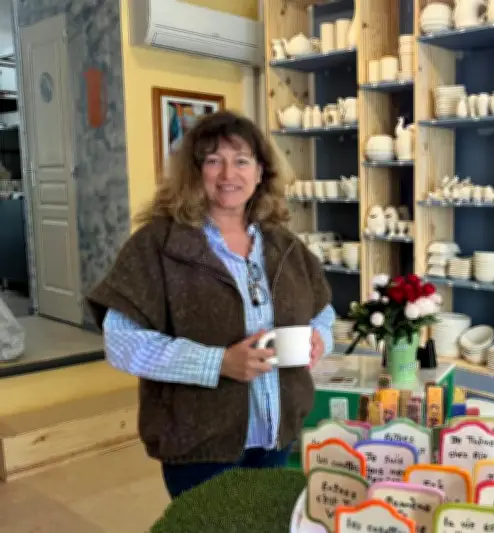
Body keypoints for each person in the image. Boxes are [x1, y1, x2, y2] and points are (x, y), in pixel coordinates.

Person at [86, 111, 335, 500]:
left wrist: (321, 337)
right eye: (213, 161)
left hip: (276, 434)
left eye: (241, 161)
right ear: (194, 171)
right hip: (200, 443)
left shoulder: (282, 244)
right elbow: (122, 342)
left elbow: (321, 310)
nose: (228, 175)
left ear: (260, 172)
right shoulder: (157, 245)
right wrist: (218, 363)